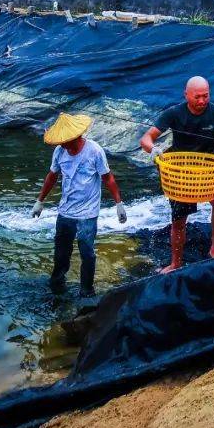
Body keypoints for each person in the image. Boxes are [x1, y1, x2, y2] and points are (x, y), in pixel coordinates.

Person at [139, 76, 214, 273]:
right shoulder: (174, 113)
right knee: (179, 218)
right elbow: (146, 138)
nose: (202, 101)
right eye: (197, 97)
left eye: (206, 96)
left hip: (210, 167)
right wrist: (153, 149)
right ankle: (176, 262)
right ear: (186, 95)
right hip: (181, 171)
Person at [32, 113, 126, 296]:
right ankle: (57, 285)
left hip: (88, 214)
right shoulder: (59, 152)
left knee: (87, 253)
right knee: (61, 252)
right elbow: (52, 176)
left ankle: (87, 291)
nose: (61, 144)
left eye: (64, 141)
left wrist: (119, 204)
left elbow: (108, 178)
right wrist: (39, 201)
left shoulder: (94, 151)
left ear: (75, 137)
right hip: (66, 211)